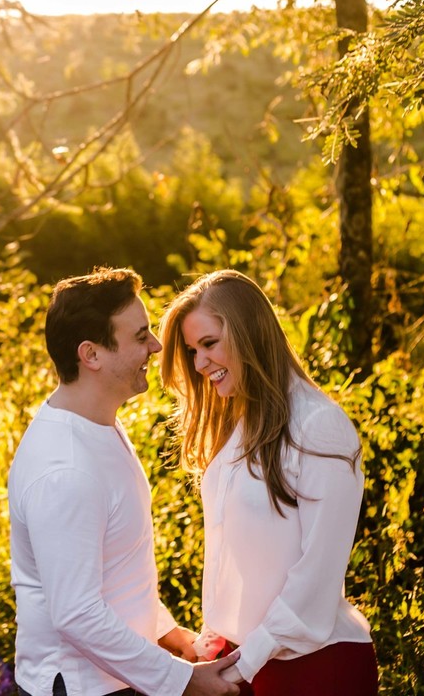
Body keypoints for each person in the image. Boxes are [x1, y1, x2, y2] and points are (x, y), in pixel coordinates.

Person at [9, 266, 241, 696]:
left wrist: (172, 636)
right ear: (91, 354)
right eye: (140, 336)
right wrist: (182, 681)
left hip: (119, 680)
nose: (155, 346)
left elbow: (117, 572)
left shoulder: (97, 429)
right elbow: (77, 613)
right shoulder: (65, 468)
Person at [157, 269, 377, 696]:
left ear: (249, 332)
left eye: (209, 344)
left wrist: (243, 663)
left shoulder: (318, 425)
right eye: (192, 350)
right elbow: (237, 563)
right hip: (246, 664)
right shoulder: (237, 428)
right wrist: (216, 638)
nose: (200, 364)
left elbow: (317, 576)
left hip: (313, 667)